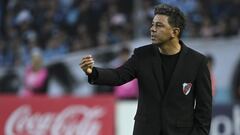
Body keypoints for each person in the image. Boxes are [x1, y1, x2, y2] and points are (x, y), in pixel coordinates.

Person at [80, 3, 212, 135]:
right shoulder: (141, 55)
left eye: (159, 25)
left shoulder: (197, 62)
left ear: (174, 32)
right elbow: (118, 75)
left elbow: (204, 109)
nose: (152, 29)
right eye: (152, 24)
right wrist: (92, 71)